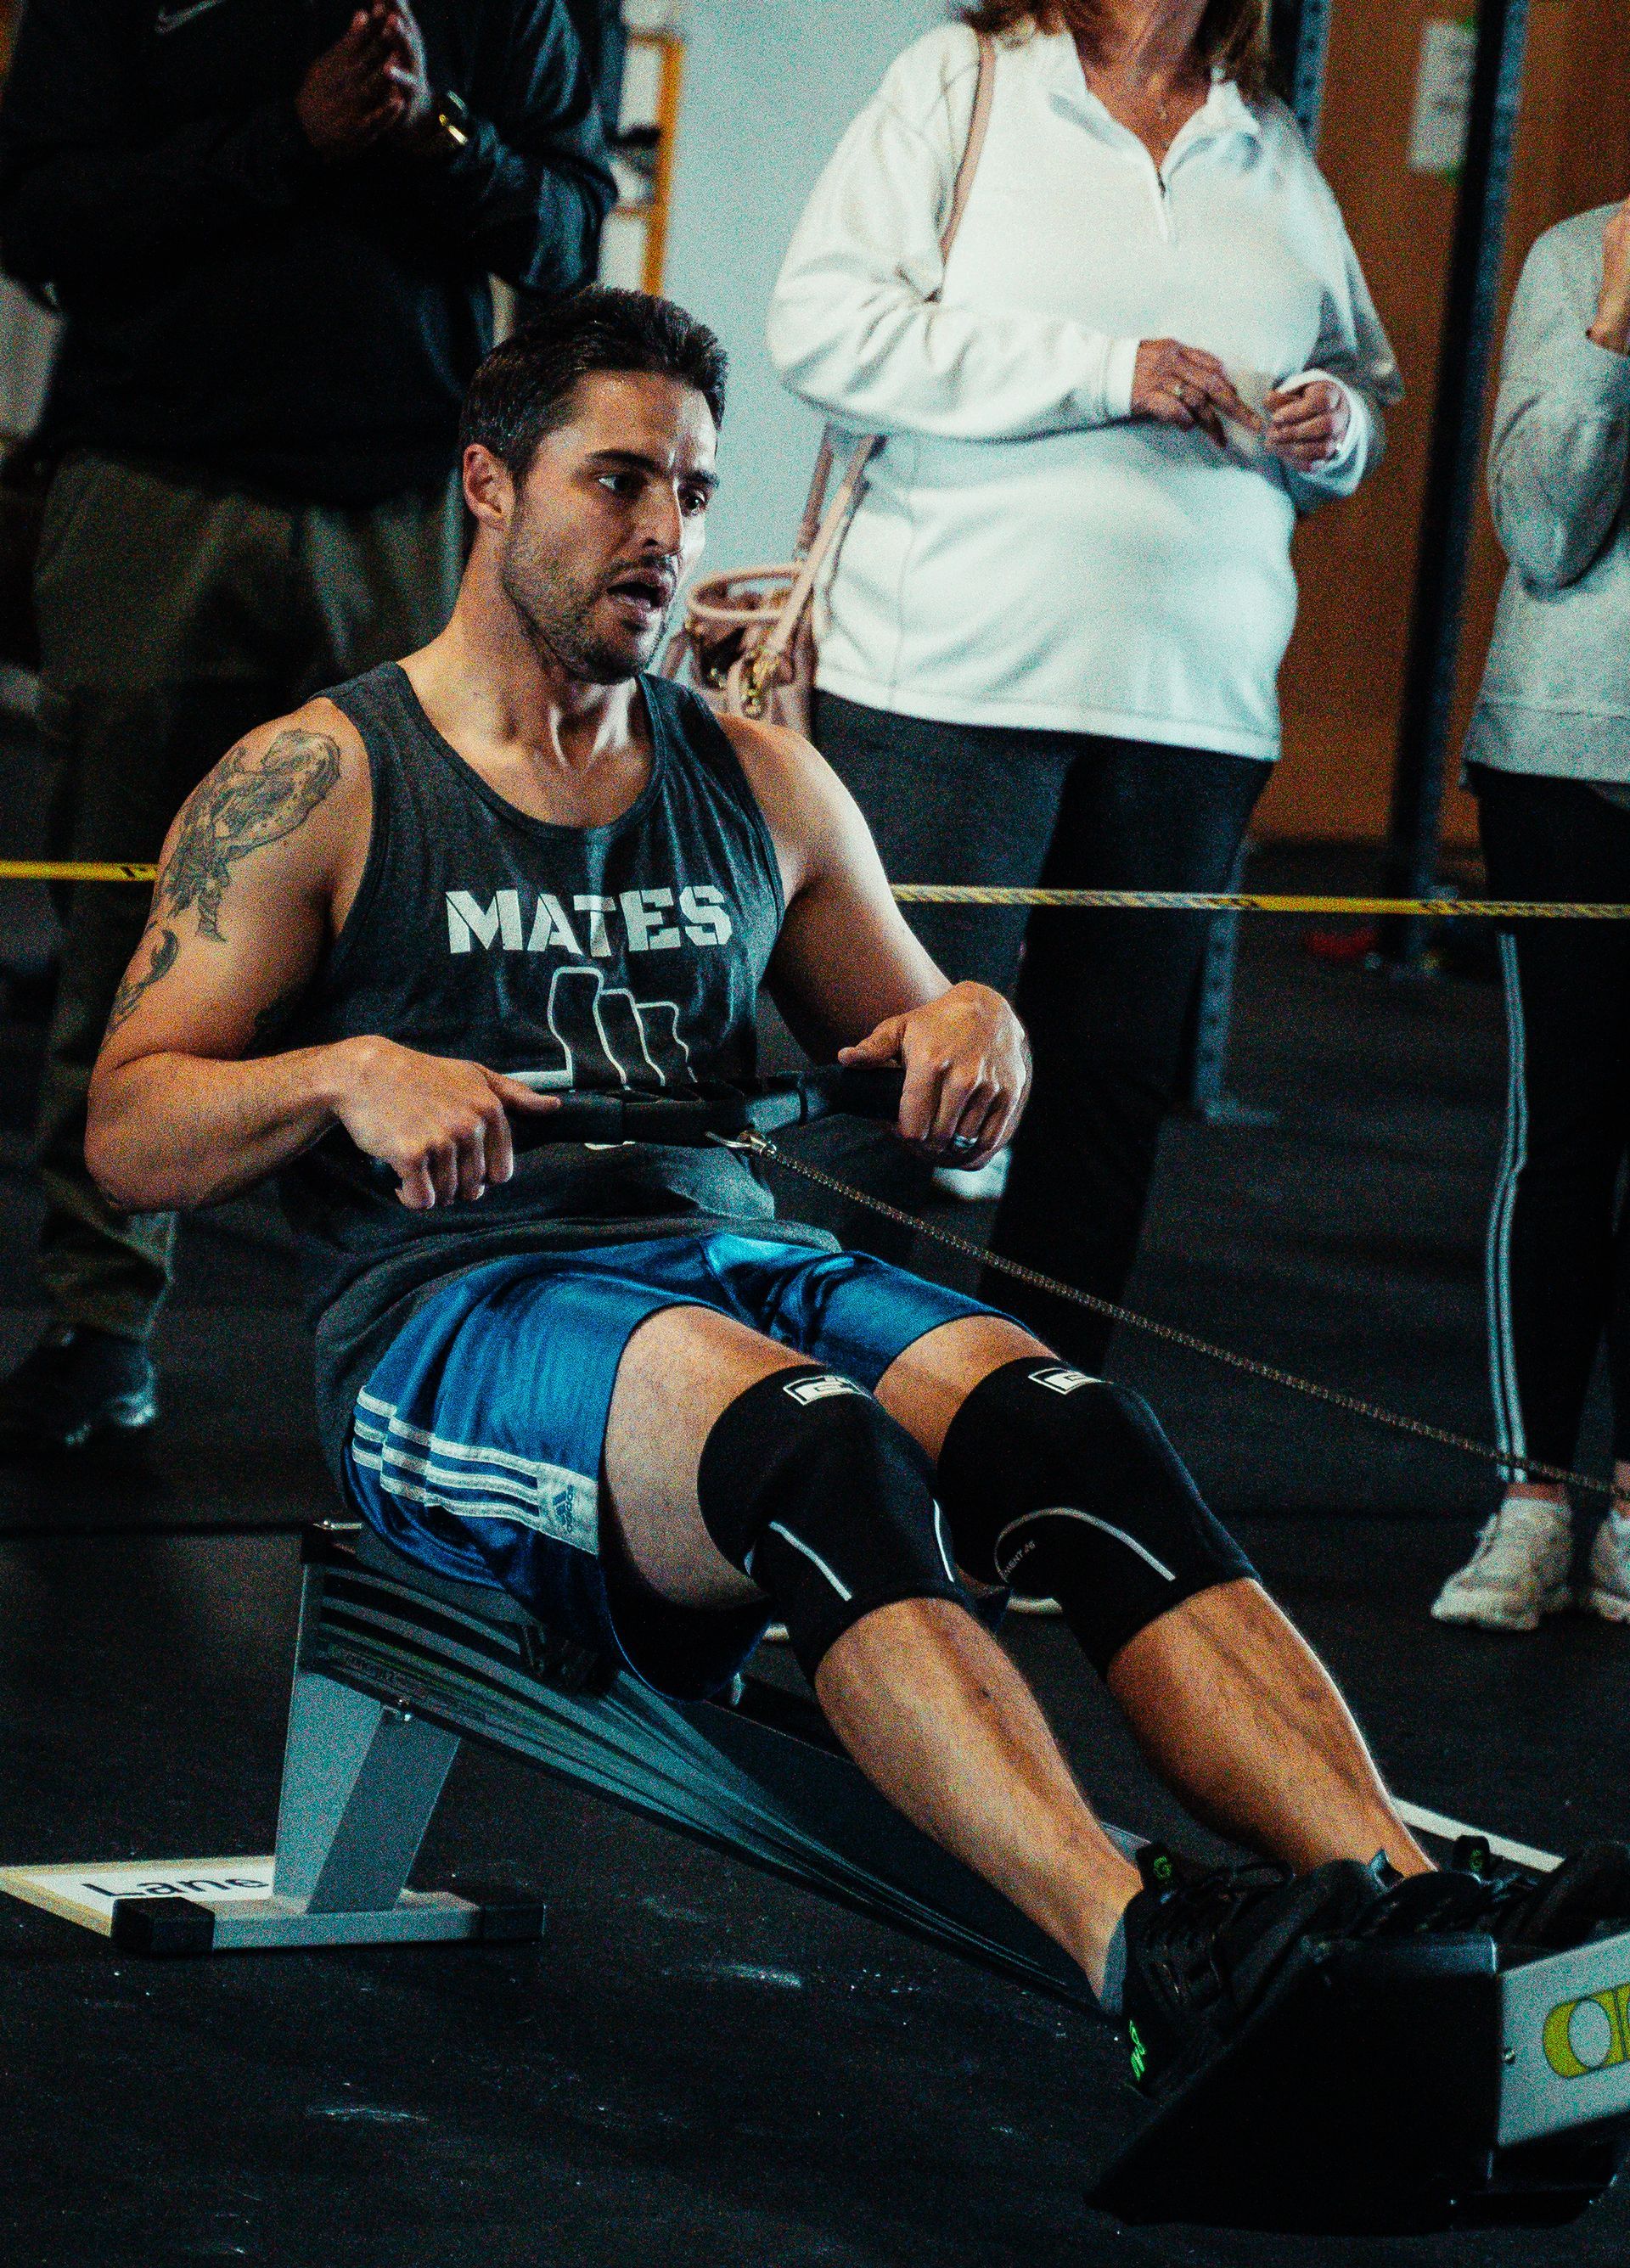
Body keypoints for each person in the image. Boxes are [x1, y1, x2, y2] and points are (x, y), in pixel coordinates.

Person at [83, 289, 1625, 2091]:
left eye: (696, 493)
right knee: (812, 1445)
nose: (664, 535)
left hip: (731, 1265)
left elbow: (943, 1084)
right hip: (457, 1325)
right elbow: (128, 1131)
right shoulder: (323, 780)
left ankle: (1415, 1903)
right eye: (620, 482)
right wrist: (346, 1070)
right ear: (489, 485)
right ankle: (1147, 1952)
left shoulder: (756, 781)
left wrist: (985, 1039)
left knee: (1071, 1430)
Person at [0, 0, 614, 1457]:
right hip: (156, 481)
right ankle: (103, 1319)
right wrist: (285, 141)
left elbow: (564, 235)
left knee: (430, 939)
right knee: (135, 934)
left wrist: (430, 136)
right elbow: (38, 220)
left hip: (406, 501)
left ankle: (443, 1325)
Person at [766, 0, 1399, 1357]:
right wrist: (1107, 370)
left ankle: (1038, 1478)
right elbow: (819, 331)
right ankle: (797, 1452)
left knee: (1103, 1111)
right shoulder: (966, 80)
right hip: (947, 689)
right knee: (892, 1095)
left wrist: (1335, 426)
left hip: (1194, 712)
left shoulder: (1271, 143)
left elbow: (1360, 389)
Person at [1434, 197, 1630, 1635]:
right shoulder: (1584, 257)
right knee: (1561, 1135)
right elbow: (1543, 529)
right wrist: (1617, 332)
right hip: (1570, 757)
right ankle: (1532, 1502)